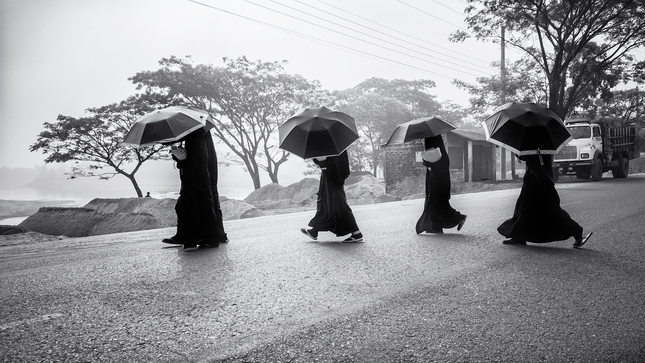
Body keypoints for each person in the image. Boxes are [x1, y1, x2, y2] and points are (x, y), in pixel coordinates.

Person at [497, 153, 592, 248]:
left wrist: (520, 155)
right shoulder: (542, 144)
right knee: (525, 208)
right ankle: (518, 237)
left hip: (540, 180)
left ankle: (577, 231)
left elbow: (532, 157)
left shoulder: (536, 143)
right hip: (535, 178)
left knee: (551, 210)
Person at [162, 128, 228, 251]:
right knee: (206, 203)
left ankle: (198, 238)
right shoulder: (201, 133)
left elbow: (194, 160)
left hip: (197, 178)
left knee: (188, 206)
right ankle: (211, 236)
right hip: (204, 177)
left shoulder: (195, 137)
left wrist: (179, 157)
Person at [300, 150, 364, 243]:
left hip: (333, 177)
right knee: (324, 203)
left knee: (339, 205)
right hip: (327, 176)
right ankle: (314, 231)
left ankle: (356, 233)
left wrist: (322, 158)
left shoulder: (333, 147)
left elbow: (334, 163)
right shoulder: (329, 144)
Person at [416, 135, 467, 234]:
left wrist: (428, 161)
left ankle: (459, 217)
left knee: (439, 203)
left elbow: (435, 165)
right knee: (435, 203)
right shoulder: (441, 154)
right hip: (437, 180)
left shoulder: (439, 155)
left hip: (438, 182)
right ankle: (436, 227)